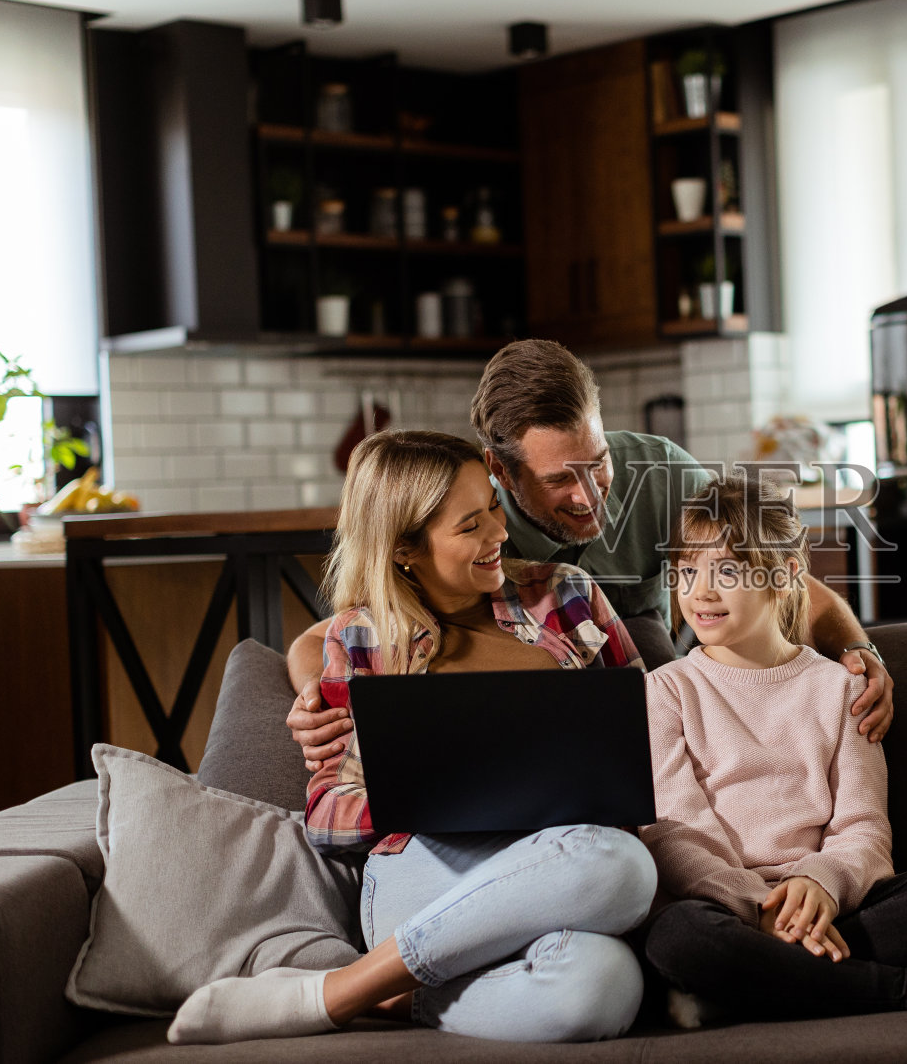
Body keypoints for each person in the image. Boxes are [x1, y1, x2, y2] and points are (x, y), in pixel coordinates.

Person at [167, 431, 656, 1045]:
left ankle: (376, 994)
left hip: (562, 868)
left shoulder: (568, 597)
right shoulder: (362, 638)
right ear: (404, 547)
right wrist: (434, 786)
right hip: (423, 871)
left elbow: (649, 736)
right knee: (621, 866)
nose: (499, 535)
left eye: (495, 509)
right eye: (470, 525)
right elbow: (326, 814)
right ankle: (343, 991)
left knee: (602, 987)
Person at [286, 339, 897, 771]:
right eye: (559, 481)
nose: (589, 494)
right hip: (545, 722)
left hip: (659, 659)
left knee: (658, 654)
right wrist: (321, 704)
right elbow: (327, 639)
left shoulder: (659, 474)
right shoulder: (474, 538)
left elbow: (777, 585)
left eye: (597, 462)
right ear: (501, 470)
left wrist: (857, 649)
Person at [639, 474, 907, 1024]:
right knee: (679, 938)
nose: (699, 591)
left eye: (726, 570)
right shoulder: (666, 690)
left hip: (833, 904)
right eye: (685, 571)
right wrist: (758, 911)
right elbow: (674, 833)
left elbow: (865, 830)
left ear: (786, 573)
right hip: (724, 910)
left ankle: (744, 988)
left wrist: (819, 882)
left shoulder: (843, 689)